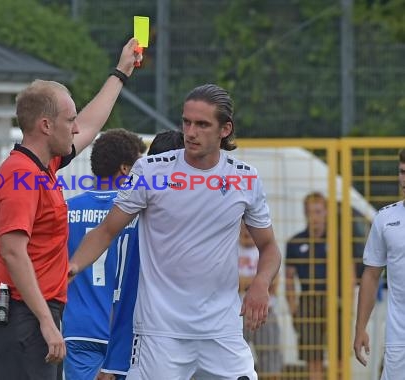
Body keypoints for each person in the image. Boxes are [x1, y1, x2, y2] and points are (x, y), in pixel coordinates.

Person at [69, 84, 282, 379]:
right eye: (186, 122)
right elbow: (107, 230)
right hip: (160, 334)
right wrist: (72, 266)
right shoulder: (150, 172)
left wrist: (261, 282)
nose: (190, 132)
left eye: (202, 124)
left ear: (225, 129)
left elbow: (269, 247)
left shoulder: (244, 178)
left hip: (221, 331)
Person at [0, 38, 142, 380]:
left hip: (35, 312)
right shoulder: (20, 175)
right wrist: (44, 321)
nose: (77, 127)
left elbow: (92, 122)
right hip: (22, 316)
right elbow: (13, 252)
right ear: (45, 126)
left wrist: (120, 73)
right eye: (70, 119)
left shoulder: (44, 165)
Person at [98, 130, 185, 380]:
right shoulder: (150, 228)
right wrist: (115, 361)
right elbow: (131, 296)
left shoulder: (134, 216)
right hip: (148, 341)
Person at [62, 128, 145, 380]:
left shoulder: (66, 209)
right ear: (125, 169)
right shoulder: (135, 212)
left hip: (78, 327)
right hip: (123, 330)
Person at [285, 191, 352, 380]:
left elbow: (350, 273)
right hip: (308, 302)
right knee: (313, 360)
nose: (315, 217)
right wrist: (293, 310)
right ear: (305, 214)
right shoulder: (295, 242)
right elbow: (288, 279)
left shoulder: (339, 240)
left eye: (318, 211)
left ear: (326, 213)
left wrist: (348, 305)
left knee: (339, 359)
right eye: (310, 212)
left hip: (335, 301)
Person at [354, 149, 405, 380]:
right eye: (402, 172)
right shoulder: (385, 219)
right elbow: (371, 275)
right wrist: (360, 327)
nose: (404, 178)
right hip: (399, 337)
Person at [238, 221, 283, 380]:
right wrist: (259, 281)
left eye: (249, 228)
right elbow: (230, 281)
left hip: (265, 313)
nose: (246, 231)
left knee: (270, 363)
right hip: (237, 315)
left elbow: (274, 282)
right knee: (234, 363)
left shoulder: (266, 252)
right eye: (243, 227)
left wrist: (245, 283)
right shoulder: (231, 251)